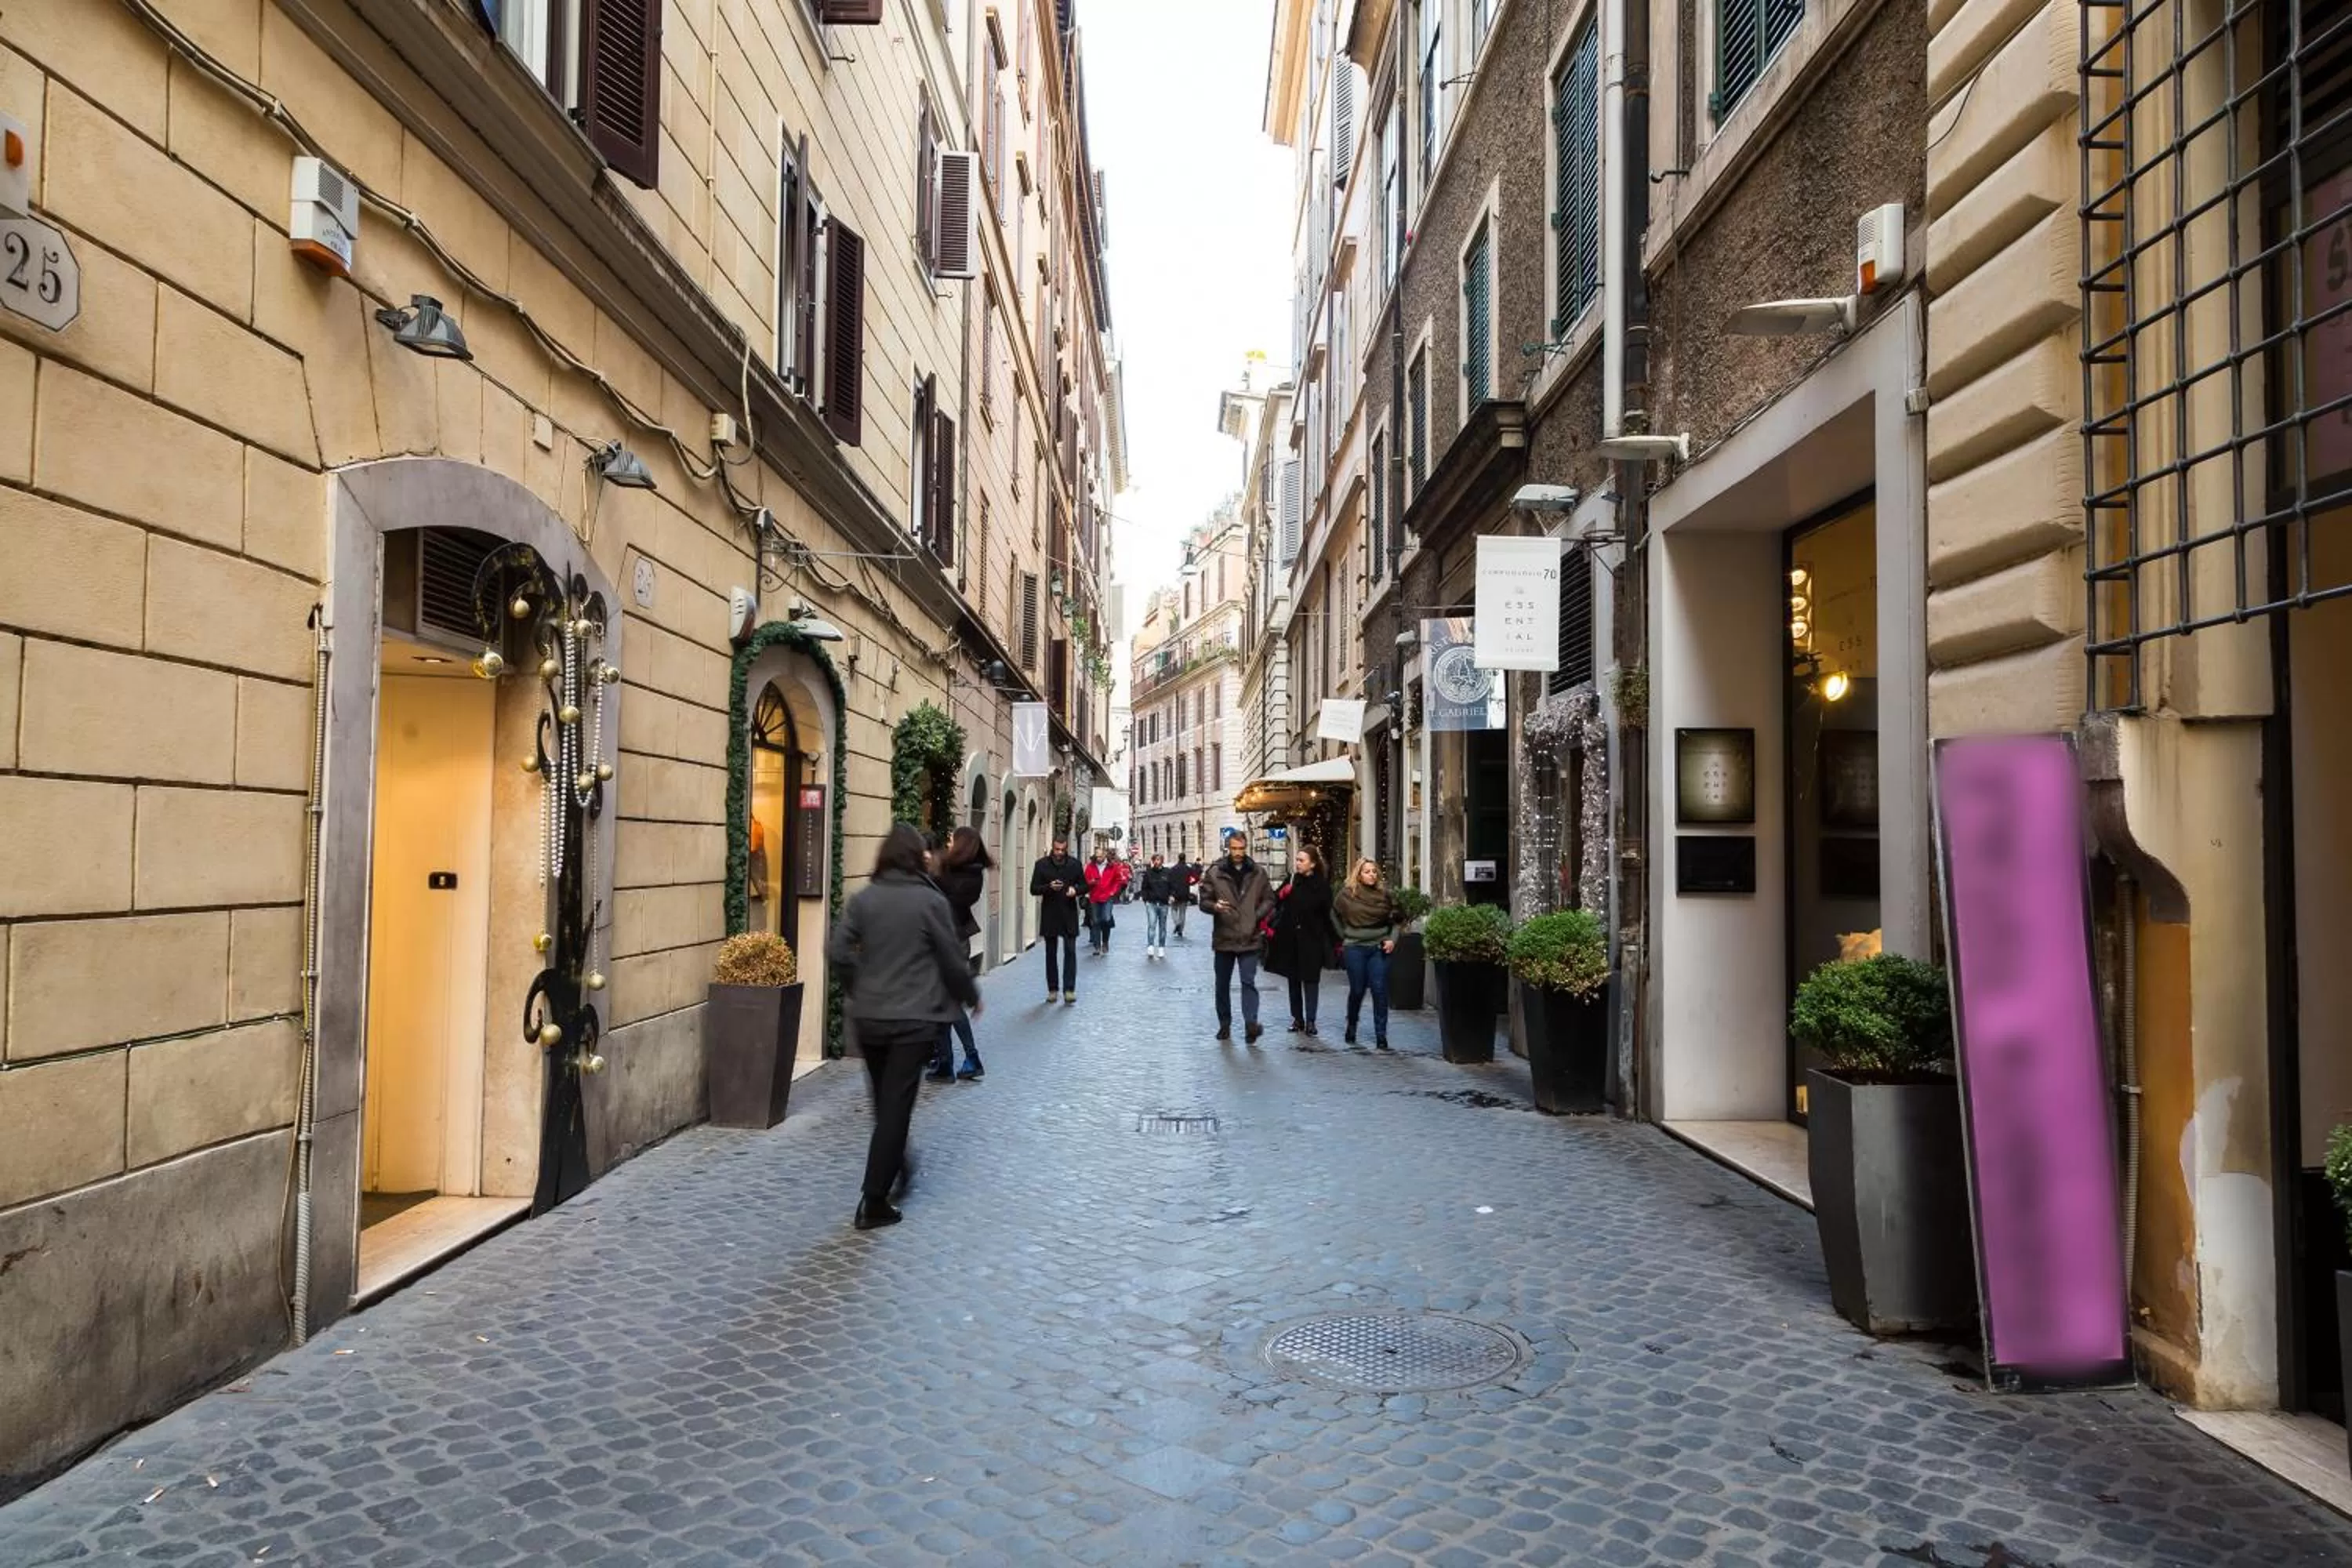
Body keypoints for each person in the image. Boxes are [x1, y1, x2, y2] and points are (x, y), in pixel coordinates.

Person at [825, 823, 982, 1232]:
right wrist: (970, 994)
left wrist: (858, 985)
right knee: (895, 1107)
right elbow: (951, 959)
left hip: (869, 1018)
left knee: (885, 1102)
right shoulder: (930, 902)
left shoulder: (864, 899)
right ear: (916, 857)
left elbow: (837, 950)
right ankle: (873, 1200)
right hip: (912, 1020)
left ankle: (899, 1164)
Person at [1198, 830, 1275, 1044]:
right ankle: (1225, 1024)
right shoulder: (1216, 872)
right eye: (1234, 849)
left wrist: (1256, 915)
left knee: (1248, 981)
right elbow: (1203, 901)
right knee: (1222, 984)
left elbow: (1270, 899)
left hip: (1250, 937)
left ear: (1246, 847)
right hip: (1224, 937)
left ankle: (1251, 1024)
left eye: (1241, 849)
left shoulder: (1258, 872)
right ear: (1228, 848)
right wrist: (1215, 906)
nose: (1238, 853)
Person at [928, 826, 992, 1081]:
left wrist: (934, 868)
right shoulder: (957, 870)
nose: (948, 843)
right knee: (941, 1003)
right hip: (947, 939)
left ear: (962, 844)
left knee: (949, 1003)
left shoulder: (969, 874)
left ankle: (971, 1058)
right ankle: (945, 1063)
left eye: (952, 840)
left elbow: (950, 899)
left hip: (951, 941)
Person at [1264, 845, 1338, 1036]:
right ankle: (1297, 1019)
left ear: (1312, 864)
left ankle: (1311, 1021)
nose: (1297, 863)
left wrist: (1335, 941)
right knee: (1293, 980)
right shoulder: (1292, 880)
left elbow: (1328, 916)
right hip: (1291, 939)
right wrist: (1282, 894)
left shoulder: (1322, 886)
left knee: (1311, 981)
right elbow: (1274, 900)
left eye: (1301, 860)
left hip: (1312, 940)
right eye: (1297, 860)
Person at [1334, 858, 1400, 1049]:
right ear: (1359, 875)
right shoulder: (1347, 895)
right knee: (1357, 989)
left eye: (1374, 871)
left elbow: (1397, 920)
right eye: (1367, 872)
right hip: (1354, 947)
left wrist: (1392, 939)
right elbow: (1334, 915)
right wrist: (1344, 934)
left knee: (1379, 989)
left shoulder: (1386, 895)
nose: (1372, 875)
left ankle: (1381, 1035)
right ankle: (1352, 1024)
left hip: (1378, 947)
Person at [1029, 833, 1085, 1002]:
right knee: (1050, 953)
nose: (1059, 853)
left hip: (1069, 913)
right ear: (1052, 848)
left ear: (1066, 848)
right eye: (1056, 849)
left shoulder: (1075, 864)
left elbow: (1084, 886)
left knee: (1070, 952)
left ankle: (1069, 990)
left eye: (1062, 850)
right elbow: (1034, 889)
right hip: (1050, 914)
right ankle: (1052, 989)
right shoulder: (1041, 865)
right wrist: (1049, 887)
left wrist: (1075, 891)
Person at [1083, 847, 1127, 956]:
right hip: (1094, 896)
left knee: (1106, 919)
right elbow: (1085, 880)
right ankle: (1097, 946)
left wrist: (1113, 891)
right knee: (1095, 921)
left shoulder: (1112, 866)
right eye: (1097, 856)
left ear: (1105, 856)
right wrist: (1091, 883)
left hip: (1107, 897)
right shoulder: (1090, 867)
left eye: (1100, 856)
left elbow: (1118, 880)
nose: (1098, 859)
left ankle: (1105, 941)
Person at [1138, 852, 1175, 958]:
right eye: (1155, 860)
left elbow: (1172, 886)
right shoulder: (1149, 873)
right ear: (1153, 861)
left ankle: (1161, 947)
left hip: (1164, 903)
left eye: (1159, 860)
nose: (1157, 862)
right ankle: (1150, 945)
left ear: (1162, 861)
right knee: (1152, 925)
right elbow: (1144, 887)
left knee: (1163, 926)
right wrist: (1146, 900)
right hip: (1152, 903)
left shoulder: (1167, 872)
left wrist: (1172, 895)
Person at [1171, 857, 1196, 940]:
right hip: (1185, 892)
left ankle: (1177, 923)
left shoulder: (1174, 868)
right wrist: (1190, 883)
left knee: (1174, 909)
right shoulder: (1188, 869)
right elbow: (1196, 877)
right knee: (1182, 912)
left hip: (1175, 892)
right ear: (1185, 859)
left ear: (1178, 858)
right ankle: (1180, 930)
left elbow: (1169, 880)